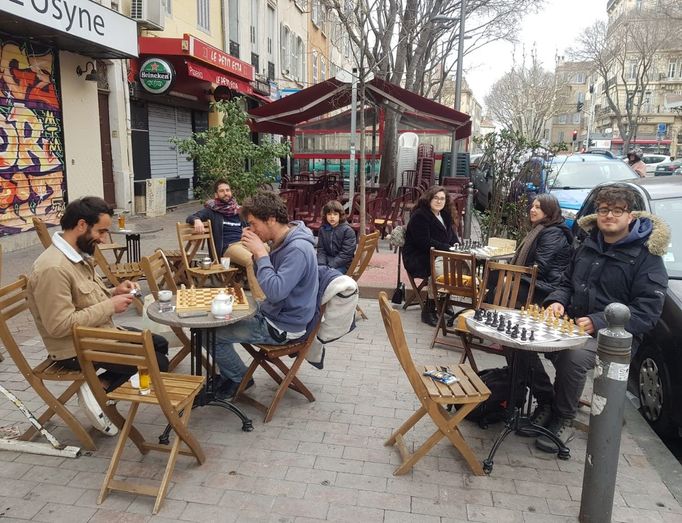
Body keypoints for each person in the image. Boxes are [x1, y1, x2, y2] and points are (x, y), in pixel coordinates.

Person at [530, 185, 668, 453]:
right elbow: (565, 281)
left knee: (573, 358)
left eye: (618, 210)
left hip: (615, 340)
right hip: (572, 326)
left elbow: (646, 312)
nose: (609, 216)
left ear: (631, 216)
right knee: (515, 343)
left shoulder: (646, 257)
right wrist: (557, 301)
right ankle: (546, 399)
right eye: (604, 210)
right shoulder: (587, 245)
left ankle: (563, 415)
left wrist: (598, 322)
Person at [27, 197, 170, 436]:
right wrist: (110, 306)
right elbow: (58, 326)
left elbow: (84, 297)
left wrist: (115, 292)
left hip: (98, 334)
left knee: (160, 343)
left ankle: (100, 385)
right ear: (81, 225)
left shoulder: (76, 254)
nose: (104, 239)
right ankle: (98, 390)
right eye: (101, 231)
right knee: (158, 361)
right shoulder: (53, 268)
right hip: (73, 349)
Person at [213, 191, 319, 398]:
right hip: (273, 314)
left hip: (283, 327)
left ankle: (238, 378)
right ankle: (230, 374)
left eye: (253, 224)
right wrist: (258, 253)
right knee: (218, 316)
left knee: (213, 335)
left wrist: (261, 254)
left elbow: (276, 292)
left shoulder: (297, 249)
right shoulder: (283, 240)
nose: (251, 229)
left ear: (271, 219)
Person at [186, 179, 265, 300]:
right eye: (222, 191)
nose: (226, 193)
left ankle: (273, 292)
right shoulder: (211, 211)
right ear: (216, 195)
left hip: (244, 242)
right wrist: (197, 220)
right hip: (229, 248)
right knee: (251, 260)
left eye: (227, 190)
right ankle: (261, 301)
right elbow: (191, 216)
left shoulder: (238, 210)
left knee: (270, 250)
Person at [402, 186, 460, 326]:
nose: (439, 201)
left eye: (442, 199)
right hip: (419, 257)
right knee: (443, 267)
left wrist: (458, 246)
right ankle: (429, 309)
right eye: (436, 198)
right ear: (429, 198)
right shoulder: (420, 215)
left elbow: (452, 237)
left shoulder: (444, 215)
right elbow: (423, 242)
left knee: (461, 263)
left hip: (438, 254)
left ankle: (444, 301)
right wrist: (448, 248)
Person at [508, 193, 573, 305]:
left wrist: (514, 276)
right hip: (535, 280)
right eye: (532, 206)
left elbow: (540, 268)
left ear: (548, 211)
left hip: (546, 287)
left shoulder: (553, 233)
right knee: (494, 276)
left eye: (538, 207)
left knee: (504, 286)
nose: (532, 210)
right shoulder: (541, 229)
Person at [316, 200, 357, 274]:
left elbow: (346, 254)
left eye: (335, 214)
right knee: (312, 271)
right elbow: (321, 250)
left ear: (340, 215)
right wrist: (321, 265)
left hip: (343, 264)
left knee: (327, 275)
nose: (332, 217)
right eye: (329, 214)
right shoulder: (323, 229)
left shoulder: (348, 231)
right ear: (325, 216)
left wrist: (330, 266)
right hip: (327, 261)